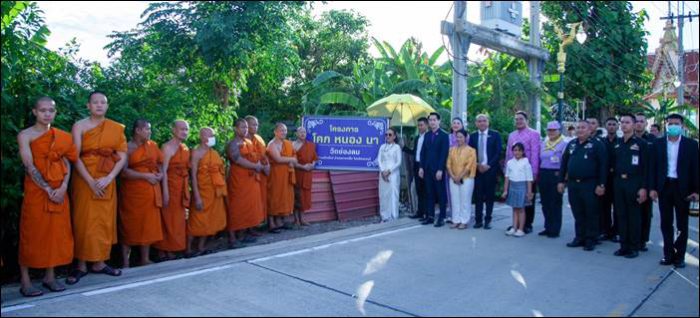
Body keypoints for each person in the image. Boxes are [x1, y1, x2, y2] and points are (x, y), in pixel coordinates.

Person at [17, 97, 78, 297]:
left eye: (51, 110)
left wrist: (62, 188)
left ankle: (49, 277)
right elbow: (29, 166)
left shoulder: (62, 136)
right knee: (32, 233)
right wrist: (46, 189)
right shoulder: (25, 135)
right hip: (37, 191)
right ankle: (25, 281)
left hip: (59, 191)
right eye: (42, 110)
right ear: (35, 111)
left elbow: (67, 162)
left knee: (55, 234)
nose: (47, 114)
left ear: (55, 112)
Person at [67, 91, 127, 285]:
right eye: (95, 102)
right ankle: (81, 265)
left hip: (107, 178)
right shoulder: (79, 126)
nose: (99, 105)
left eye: (103, 102)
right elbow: (75, 156)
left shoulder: (115, 128)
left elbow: (123, 155)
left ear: (107, 106)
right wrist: (90, 181)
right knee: (84, 220)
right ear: (88, 106)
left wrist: (110, 177)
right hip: (84, 178)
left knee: (103, 220)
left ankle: (100, 262)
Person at [650, 114, 699, 268]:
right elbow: (652, 169)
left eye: (676, 124)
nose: (673, 126)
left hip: (682, 188)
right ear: (666, 126)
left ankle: (680, 256)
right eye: (670, 124)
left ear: (682, 126)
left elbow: (696, 169)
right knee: (666, 223)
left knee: (682, 225)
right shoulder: (657, 144)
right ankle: (668, 254)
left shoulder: (691, 145)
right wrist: (652, 188)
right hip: (664, 187)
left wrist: (697, 191)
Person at [118, 119, 164, 268]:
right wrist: (146, 176)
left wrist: (160, 174)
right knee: (129, 224)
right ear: (137, 130)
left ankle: (145, 258)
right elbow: (124, 171)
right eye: (147, 129)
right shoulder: (127, 147)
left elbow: (160, 164)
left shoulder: (153, 146)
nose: (150, 132)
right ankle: (125, 262)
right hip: (133, 192)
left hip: (150, 191)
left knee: (148, 225)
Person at [558, 120, 608, 251]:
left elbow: (603, 166)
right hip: (573, 184)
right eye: (578, 127)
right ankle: (579, 237)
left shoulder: (597, 145)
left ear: (590, 130)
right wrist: (561, 181)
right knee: (577, 212)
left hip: (590, 184)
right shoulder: (572, 144)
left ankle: (591, 239)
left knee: (591, 212)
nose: (580, 130)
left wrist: (601, 184)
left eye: (583, 127)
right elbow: (564, 164)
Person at [611, 114, 650, 259]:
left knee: (633, 216)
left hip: (635, 183)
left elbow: (646, 168)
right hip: (619, 183)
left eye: (627, 122)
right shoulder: (618, 143)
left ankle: (634, 247)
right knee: (620, 215)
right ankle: (623, 246)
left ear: (634, 125)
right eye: (622, 122)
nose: (624, 125)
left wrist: (643, 188)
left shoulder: (641, 144)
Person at [187, 127, 227, 257]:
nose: (212, 138)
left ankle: (201, 247)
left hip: (213, 191)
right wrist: (197, 196)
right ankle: (188, 249)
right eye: (210, 136)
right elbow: (193, 176)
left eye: (213, 136)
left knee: (209, 221)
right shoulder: (196, 153)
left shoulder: (213, 153)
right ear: (202, 137)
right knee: (196, 221)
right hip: (201, 191)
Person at [154, 120, 190, 261]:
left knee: (179, 219)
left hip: (181, 186)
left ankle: (173, 248)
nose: (184, 132)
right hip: (170, 186)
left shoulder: (185, 147)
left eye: (186, 129)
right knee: (168, 218)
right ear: (173, 130)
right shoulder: (167, 147)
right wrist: (165, 192)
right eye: (181, 129)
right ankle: (164, 250)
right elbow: (163, 170)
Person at [226, 119, 264, 249]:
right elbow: (237, 159)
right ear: (235, 129)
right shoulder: (232, 144)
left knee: (248, 206)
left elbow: (256, 156)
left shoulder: (248, 142)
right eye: (242, 127)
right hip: (238, 179)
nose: (245, 130)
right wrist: (255, 166)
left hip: (250, 179)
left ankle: (242, 236)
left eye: (246, 127)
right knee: (236, 207)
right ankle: (232, 238)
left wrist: (260, 164)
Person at [506, 111, 540, 233]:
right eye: (516, 119)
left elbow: (535, 154)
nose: (518, 121)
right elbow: (508, 154)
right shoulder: (512, 135)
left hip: (528, 173)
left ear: (527, 120)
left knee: (528, 199)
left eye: (521, 119)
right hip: (514, 173)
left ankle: (527, 224)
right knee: (516, 199)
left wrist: (534, 173)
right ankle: (515, 224)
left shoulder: (534, 134)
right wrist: (507, 170)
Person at [469, 114, 502, 229]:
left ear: (488, 122)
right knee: (478, 196)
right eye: (479, 121)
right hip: (477, 171)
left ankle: (488, 220)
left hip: (490, 170)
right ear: (476, 123)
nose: (482, 123)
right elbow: (470, 154)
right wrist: (477, 165)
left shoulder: (495, 135)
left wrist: (488, 165)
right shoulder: (472, 136)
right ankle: (478, 220)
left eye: (484, 121)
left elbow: (498, 152)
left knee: (489, 196)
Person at [419, 112, 450, 227]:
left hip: (438, 170)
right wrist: (421, 167)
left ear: (439, 121)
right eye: (430, 120)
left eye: (434, 120)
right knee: (429, 193)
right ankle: (430, 216)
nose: (432, 122)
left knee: (441, 194)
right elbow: (423, 153)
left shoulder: (444, 135)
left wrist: (440, 169)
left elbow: (444, 154)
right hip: (427, 169)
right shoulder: (426, 135)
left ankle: (442, 217)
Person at [538, 121, 566, 238]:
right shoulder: (544, 143)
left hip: (556, 174)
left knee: (555, 202)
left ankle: (555, 229)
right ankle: (547, 226)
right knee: (545, 202)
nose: (551, 132)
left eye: (554, 130)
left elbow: (565, 163)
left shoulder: (564, 144)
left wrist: (563, 180)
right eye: (549, 130)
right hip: (544, 173)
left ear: (559, 131)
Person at [267, 123, 298, 231]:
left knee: (285, 197)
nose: (284, 132)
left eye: (285, 130)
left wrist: (292, 161)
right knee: (274, 197)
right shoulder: (272, 144)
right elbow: (278, 159)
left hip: (286, 174)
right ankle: (271, 223)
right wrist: (291, 160)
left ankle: (280, 221)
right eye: (281, 130)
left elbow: (294, 155)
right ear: (275, 132)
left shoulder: (288, 143)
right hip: (275, 175)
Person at [246, 116, 271, 234]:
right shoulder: (242, 140)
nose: (255, 127)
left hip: (261, 173)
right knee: (249, 201)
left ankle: (257, 224)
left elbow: (264, 155)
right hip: (248, 174)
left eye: (256, 124)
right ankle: (248, 227)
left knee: (260, 199)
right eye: (253, 124)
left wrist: (267, 166)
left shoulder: (259, 139)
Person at [447, 129, 477, 229]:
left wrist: (459, 177)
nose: (459, 139)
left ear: (466, 138)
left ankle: (464, 220)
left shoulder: (471, 151)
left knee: (465, 200)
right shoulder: (452, 149)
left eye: (461, 137)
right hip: (453, 178)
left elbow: (469, 166)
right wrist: (453, 176)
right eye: (457, 136)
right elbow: (448, 164)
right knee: (455, 200)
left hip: (466, 179)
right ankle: (455, 220)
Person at [634, 113, 656, 251]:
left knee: (645, 213)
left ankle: (643, 240)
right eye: (636, 121)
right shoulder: (628, 138)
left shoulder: (653, 140)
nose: (639, 124)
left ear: (646, 124)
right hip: (632, 181)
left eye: (642, 121)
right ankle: (632, 238)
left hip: (647, 180)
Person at [503, 143, 534, 237]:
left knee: (521, 209)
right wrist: (505, 190)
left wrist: (529, 192)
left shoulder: (526, 163)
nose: (517, 152)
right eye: (515, 150)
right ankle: (514, 227)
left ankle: (521, 229)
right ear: (512, 151)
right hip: (512, 186)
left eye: (519, 150)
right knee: (514, 208)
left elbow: (529, 179)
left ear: (523, 151)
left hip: (522, 187)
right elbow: (507, 177)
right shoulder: (509, 162)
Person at [404, 117, 428, 221]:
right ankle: (420, 212)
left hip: (426, 167)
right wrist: (404, 148)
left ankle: (427, 213)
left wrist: (423, 167)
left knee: (425, 191)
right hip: (417, 165)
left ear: (426, 125)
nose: (420, 127)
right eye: (418, 125)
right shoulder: (418, 137)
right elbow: (414, 152)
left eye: (422, 125)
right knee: (418, 190)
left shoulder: (429, 137)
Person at [293, 126, 318, 226]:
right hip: (297, 173)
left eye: (304, 132)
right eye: (300, 132)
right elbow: (292, 161)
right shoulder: (293, 145)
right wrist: (303, 167)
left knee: (305, 197)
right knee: (296, 196)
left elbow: (315, 158)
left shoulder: (311, 145)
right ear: (296, 134)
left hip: (307, 174)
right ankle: (296, 220)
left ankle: (302, 219)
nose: (303, 134)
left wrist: (312, 165)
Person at [600, 117, 620, 242]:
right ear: (606, 126)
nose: (611, 126)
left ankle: (616, 231)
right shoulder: (601, 142)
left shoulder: (622, 141)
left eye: (614, 124)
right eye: (609, 124)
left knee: (618, 207)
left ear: (617, 127)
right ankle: (605, 231)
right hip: (605, 178)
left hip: (617, 179)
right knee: (604, 207)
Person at [377, 128, 402, 222]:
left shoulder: (397, 147)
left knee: (393, 194)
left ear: (394, 136)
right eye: (386, 134)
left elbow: (398, 162)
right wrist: (383, 171)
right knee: (383, 194)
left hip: (393, 174)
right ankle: (384, 216)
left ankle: (393, 216)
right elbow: (379, 160)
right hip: (382, 174)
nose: (388, 136)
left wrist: (389, 171)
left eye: (390, 135)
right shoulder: (382, 147)